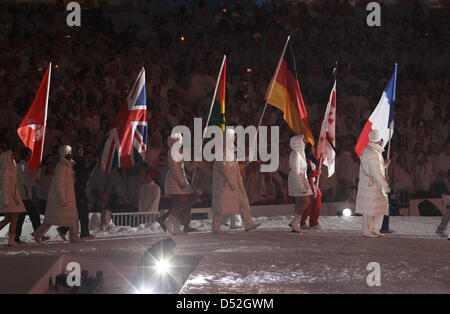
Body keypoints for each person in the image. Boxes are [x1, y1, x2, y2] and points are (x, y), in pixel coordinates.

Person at [211, 129, 260, 234]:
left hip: (235, 181)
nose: (234, 138)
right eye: (233, 136)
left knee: (243, 201)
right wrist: (230, 182)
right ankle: (216, 226)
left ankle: (248, 223)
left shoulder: (229, 150)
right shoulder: (223, 150)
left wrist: (245, 161)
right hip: (224, 183)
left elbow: (233, 165)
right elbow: (224, 167)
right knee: (221, 205)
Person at [32, 145, 82, 243]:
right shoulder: (62, 167)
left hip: (67, 197)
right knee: (55, 218)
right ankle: (38, 233)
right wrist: (62, 198)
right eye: (70, 152)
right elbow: (59, 183)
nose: (71, 154)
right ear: (65, 153)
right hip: (63, 198)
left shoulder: (67, 166)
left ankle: (74, 237)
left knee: (70, 216)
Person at [355, 129, 391, 238]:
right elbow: (374, 172)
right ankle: (367, 230)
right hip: (371, 185)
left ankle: (375, 228)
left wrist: (384, 165)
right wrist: (385, 184)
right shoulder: (372, 152)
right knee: (369, 209)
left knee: (380, 207)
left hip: (375, 184)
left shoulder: (374, 151)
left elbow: (376, 168)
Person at [164, 133, 197, 234]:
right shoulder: (173, 152)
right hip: (176, 181)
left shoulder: (178, 151)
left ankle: (176, 227)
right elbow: (175, 170)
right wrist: (182, 183)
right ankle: (169, 221)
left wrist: (195, 159)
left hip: (180, 180)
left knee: (180, 203)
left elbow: (186, 166)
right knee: (183, 203)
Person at [15, 147, 46, 243]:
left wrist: (37, 170)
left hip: (25, 196)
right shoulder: (21, 166)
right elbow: (25, 180)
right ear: (24, 155)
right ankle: (38, 234)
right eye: (29, 154)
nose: (30, 156)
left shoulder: (25, 165)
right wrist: (34, 183)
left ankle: (16, 237)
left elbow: (30, 178)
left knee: (22, 217)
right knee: (34, 214)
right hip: (23, 196)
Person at [0, 150, 26, 246]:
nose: (13, 158)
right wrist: (6, 200)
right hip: (9, 197)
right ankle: (11, 240)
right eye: (11, 157)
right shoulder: (6, 171)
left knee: (8, 219)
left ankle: (11, 239)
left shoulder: (11, 169)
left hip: (12, 196)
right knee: (14, 217)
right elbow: (5, 186)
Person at [287, 135, 312, 233]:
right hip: (297, 180)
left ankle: (296, 224)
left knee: (300, 203)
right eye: (304, 141)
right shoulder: (295, 154)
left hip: (300, 179)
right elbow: (296, 170)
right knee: (306, 201)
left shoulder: (299, 154)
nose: (305, 144)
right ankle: (295, 221)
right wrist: (301, 186)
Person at [300, 142, 322, 230]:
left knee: (316, 203)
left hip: (313, 185)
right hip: (307, 185)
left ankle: (313, 222)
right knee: (307, 205)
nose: (314, 150)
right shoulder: (304, 160)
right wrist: (315, 173)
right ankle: (302, 222)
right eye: (313, 148)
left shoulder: (313, 159)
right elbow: (304, 173)